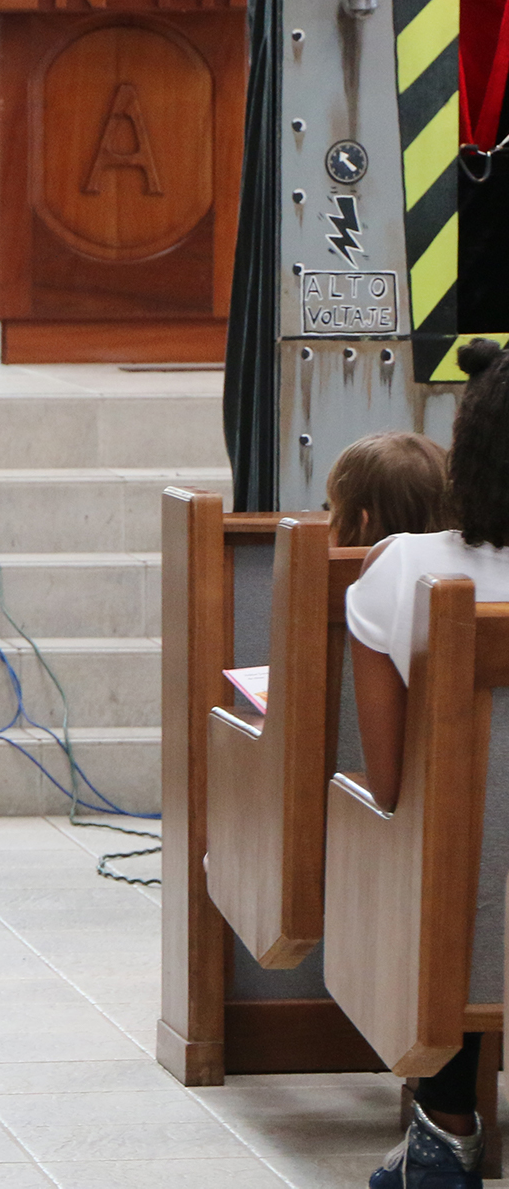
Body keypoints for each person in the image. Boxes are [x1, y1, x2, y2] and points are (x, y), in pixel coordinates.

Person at [345, 340, 509, 1189]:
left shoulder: (403, 568)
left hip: (473, 901)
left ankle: (445, 1134)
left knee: (458, 849)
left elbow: (388, 785)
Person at [325, 430, 451, 548]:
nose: (327, 521)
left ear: (362, 522)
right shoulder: (461, 566)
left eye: (331, 508)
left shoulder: (332, 569)